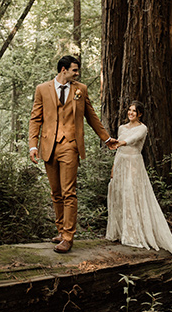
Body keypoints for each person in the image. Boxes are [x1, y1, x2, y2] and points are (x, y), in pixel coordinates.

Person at [29, 55, 115, 254]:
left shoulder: (80, 89)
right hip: (48, 146)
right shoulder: (42, 89)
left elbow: (91, 115)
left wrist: (107, 138)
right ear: (63, 69)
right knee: (56, 192)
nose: (77, 74)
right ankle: (60, 231)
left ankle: (68, 236)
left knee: (69, 191)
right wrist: (33, 146)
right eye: (74, 70)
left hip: (70, 145)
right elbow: (35, 119)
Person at [106, 101, 172, 272]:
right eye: (130, 110)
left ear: (140, 114)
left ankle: (133, 233)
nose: (131, 113)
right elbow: (119, 150)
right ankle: (119, 231)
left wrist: (119, 143)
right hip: (120, 163)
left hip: (133, 165)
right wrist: (113, 167)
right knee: (119, 195)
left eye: (134, 111)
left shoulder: (142, 128)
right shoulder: (121, 127)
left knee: (132, 195)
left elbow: (131, 140)